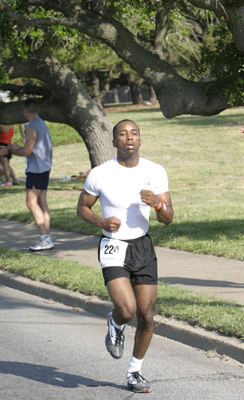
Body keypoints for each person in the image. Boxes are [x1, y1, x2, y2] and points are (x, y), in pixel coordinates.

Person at [77, 119, 174, 393]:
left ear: (140, 140)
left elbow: (168, 218)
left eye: (134, 134)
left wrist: (158, 203)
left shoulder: (154, 172)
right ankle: (115, 321)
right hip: (113, 245)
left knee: (146, 315)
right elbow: (82, 207)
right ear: (114, 142)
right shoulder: (100, 173)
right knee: (127, 309)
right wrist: (100, 222)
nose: (129, 138)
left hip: (142, 246)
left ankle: (134, 373)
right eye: (122, 134)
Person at [0, 99, 54, 251]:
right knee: (41, 201)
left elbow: (27, 151)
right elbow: (34, 148)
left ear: (24, 111)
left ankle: (45, 238)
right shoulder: (42, 123)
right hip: (45, 167)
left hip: (36, 169)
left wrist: (10, 150)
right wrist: (16, 147)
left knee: (31, 202)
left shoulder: (32, 127)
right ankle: (46, 237)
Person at [0, 122, 19, 187]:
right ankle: (13, 180)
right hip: (9, 144)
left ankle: (8, 181)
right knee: (7, 165)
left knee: (4, 165)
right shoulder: (12, 125)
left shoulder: (1, 125)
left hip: (1, 145)